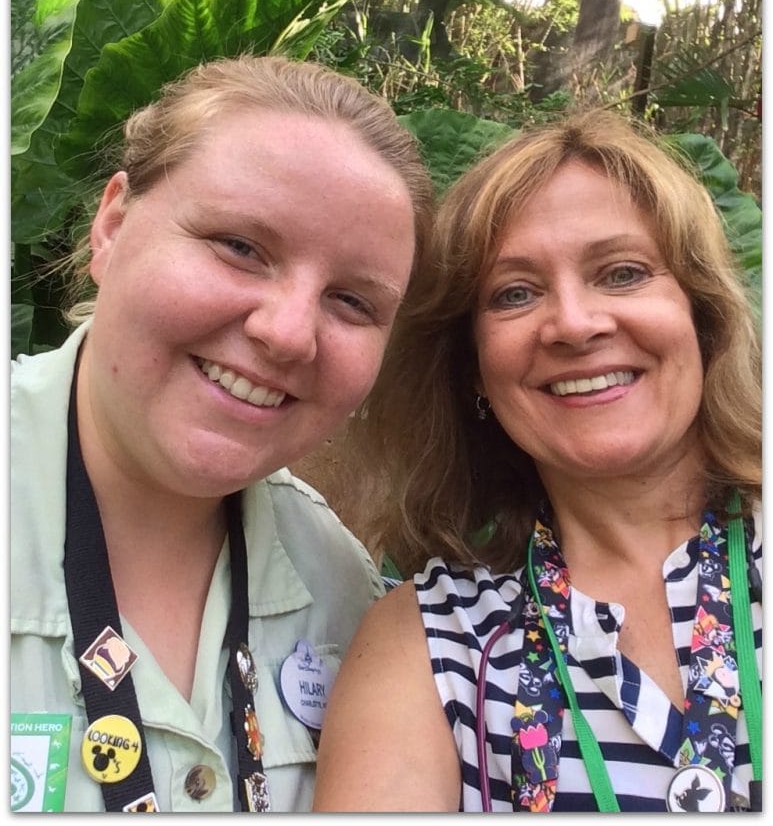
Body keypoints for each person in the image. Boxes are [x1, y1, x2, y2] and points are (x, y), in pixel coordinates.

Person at [10, 55, 434, 813]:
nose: (286, 334)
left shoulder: (338, 589)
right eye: (240, 246)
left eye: (351, 301)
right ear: (111, 226)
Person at [312, 111, 762, 813]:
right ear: (471, 370)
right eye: (514, 293)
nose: (575, 324)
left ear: (701, 318)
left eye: (621, 273)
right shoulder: (436, 643)